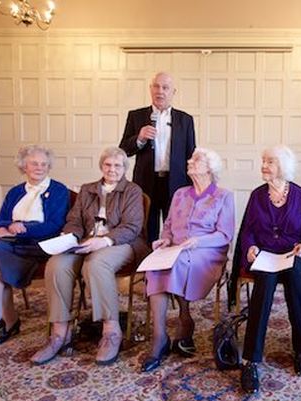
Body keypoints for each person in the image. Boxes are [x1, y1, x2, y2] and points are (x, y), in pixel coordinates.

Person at [30, 147, 147, 366]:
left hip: (122, 243)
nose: (112, 170)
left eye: (118, 165)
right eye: (108, 165)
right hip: (85, 242)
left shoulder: (132, 191)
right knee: (56, 264)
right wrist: (71, 236)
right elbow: (74, 219)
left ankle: (111, 330)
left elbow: (132, 227)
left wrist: (103, 241)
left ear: (125, 168)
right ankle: (59, 332)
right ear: (101, 166)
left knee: (96, 265)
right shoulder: (87, 190)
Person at [141, 148, 235, 372]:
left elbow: (225, 235)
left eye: (196, 160)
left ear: (209, 169)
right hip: (177, 248)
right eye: (191, 158)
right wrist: (164, 240)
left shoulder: (224, 195)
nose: (189, 161)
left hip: (208, 251)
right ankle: (159, 336)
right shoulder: (180, 193)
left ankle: (184, 318)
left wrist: (197, 241)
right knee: (155, 266)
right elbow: (168, 225)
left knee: (178, 262)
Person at [239, 145, 301, 394]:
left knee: (297, 285)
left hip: (292, 254)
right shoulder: (256, 196)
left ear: (282, 166)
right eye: (263, 161)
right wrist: (251, 247)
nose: (264, 166)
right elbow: (248, 231)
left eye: (270, 162)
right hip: (265, 256)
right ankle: (250, 360)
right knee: (262, 289)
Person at [0, 145, 69, 347]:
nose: (40, 167)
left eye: (44, 164)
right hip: (13, 245)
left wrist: (22, 227)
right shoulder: (16, 192)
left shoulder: (58, 190)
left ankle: (4, 321)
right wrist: (9, 227)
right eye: (34, 163)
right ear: (24, 166)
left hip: (41, 248)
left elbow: (54, 226)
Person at [119, 71, 196, 242]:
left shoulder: (185, 120)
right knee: (146, 230)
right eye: (156, 86)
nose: (160, 91)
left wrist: (192, 188)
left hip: (176, 183)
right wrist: (139, 138)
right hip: (146, 182)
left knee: (176, 230)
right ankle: (146, 266)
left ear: (173, 92)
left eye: (165, 87)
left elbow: (191, 156)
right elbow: (123, 150)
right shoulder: (136, 116)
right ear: (150, 89)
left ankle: (170, 266)